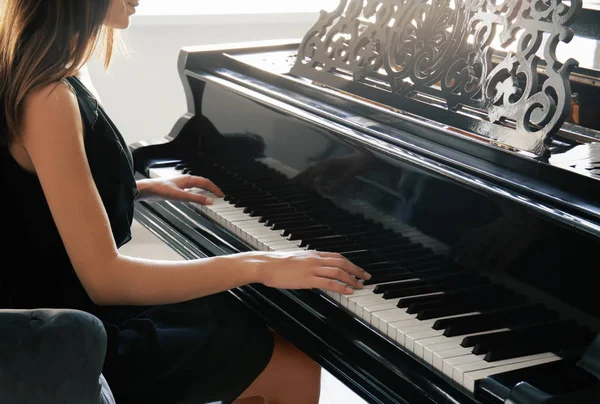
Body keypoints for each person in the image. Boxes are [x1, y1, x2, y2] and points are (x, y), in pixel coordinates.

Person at [0, 1, 371, 403]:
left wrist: (141, 188)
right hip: (70, 340)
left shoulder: (30, 69)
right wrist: (261, 264)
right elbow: (106, 280)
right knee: (291, 356)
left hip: (67, 310)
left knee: (275, 324)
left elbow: (31, 200)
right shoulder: (49, 96)